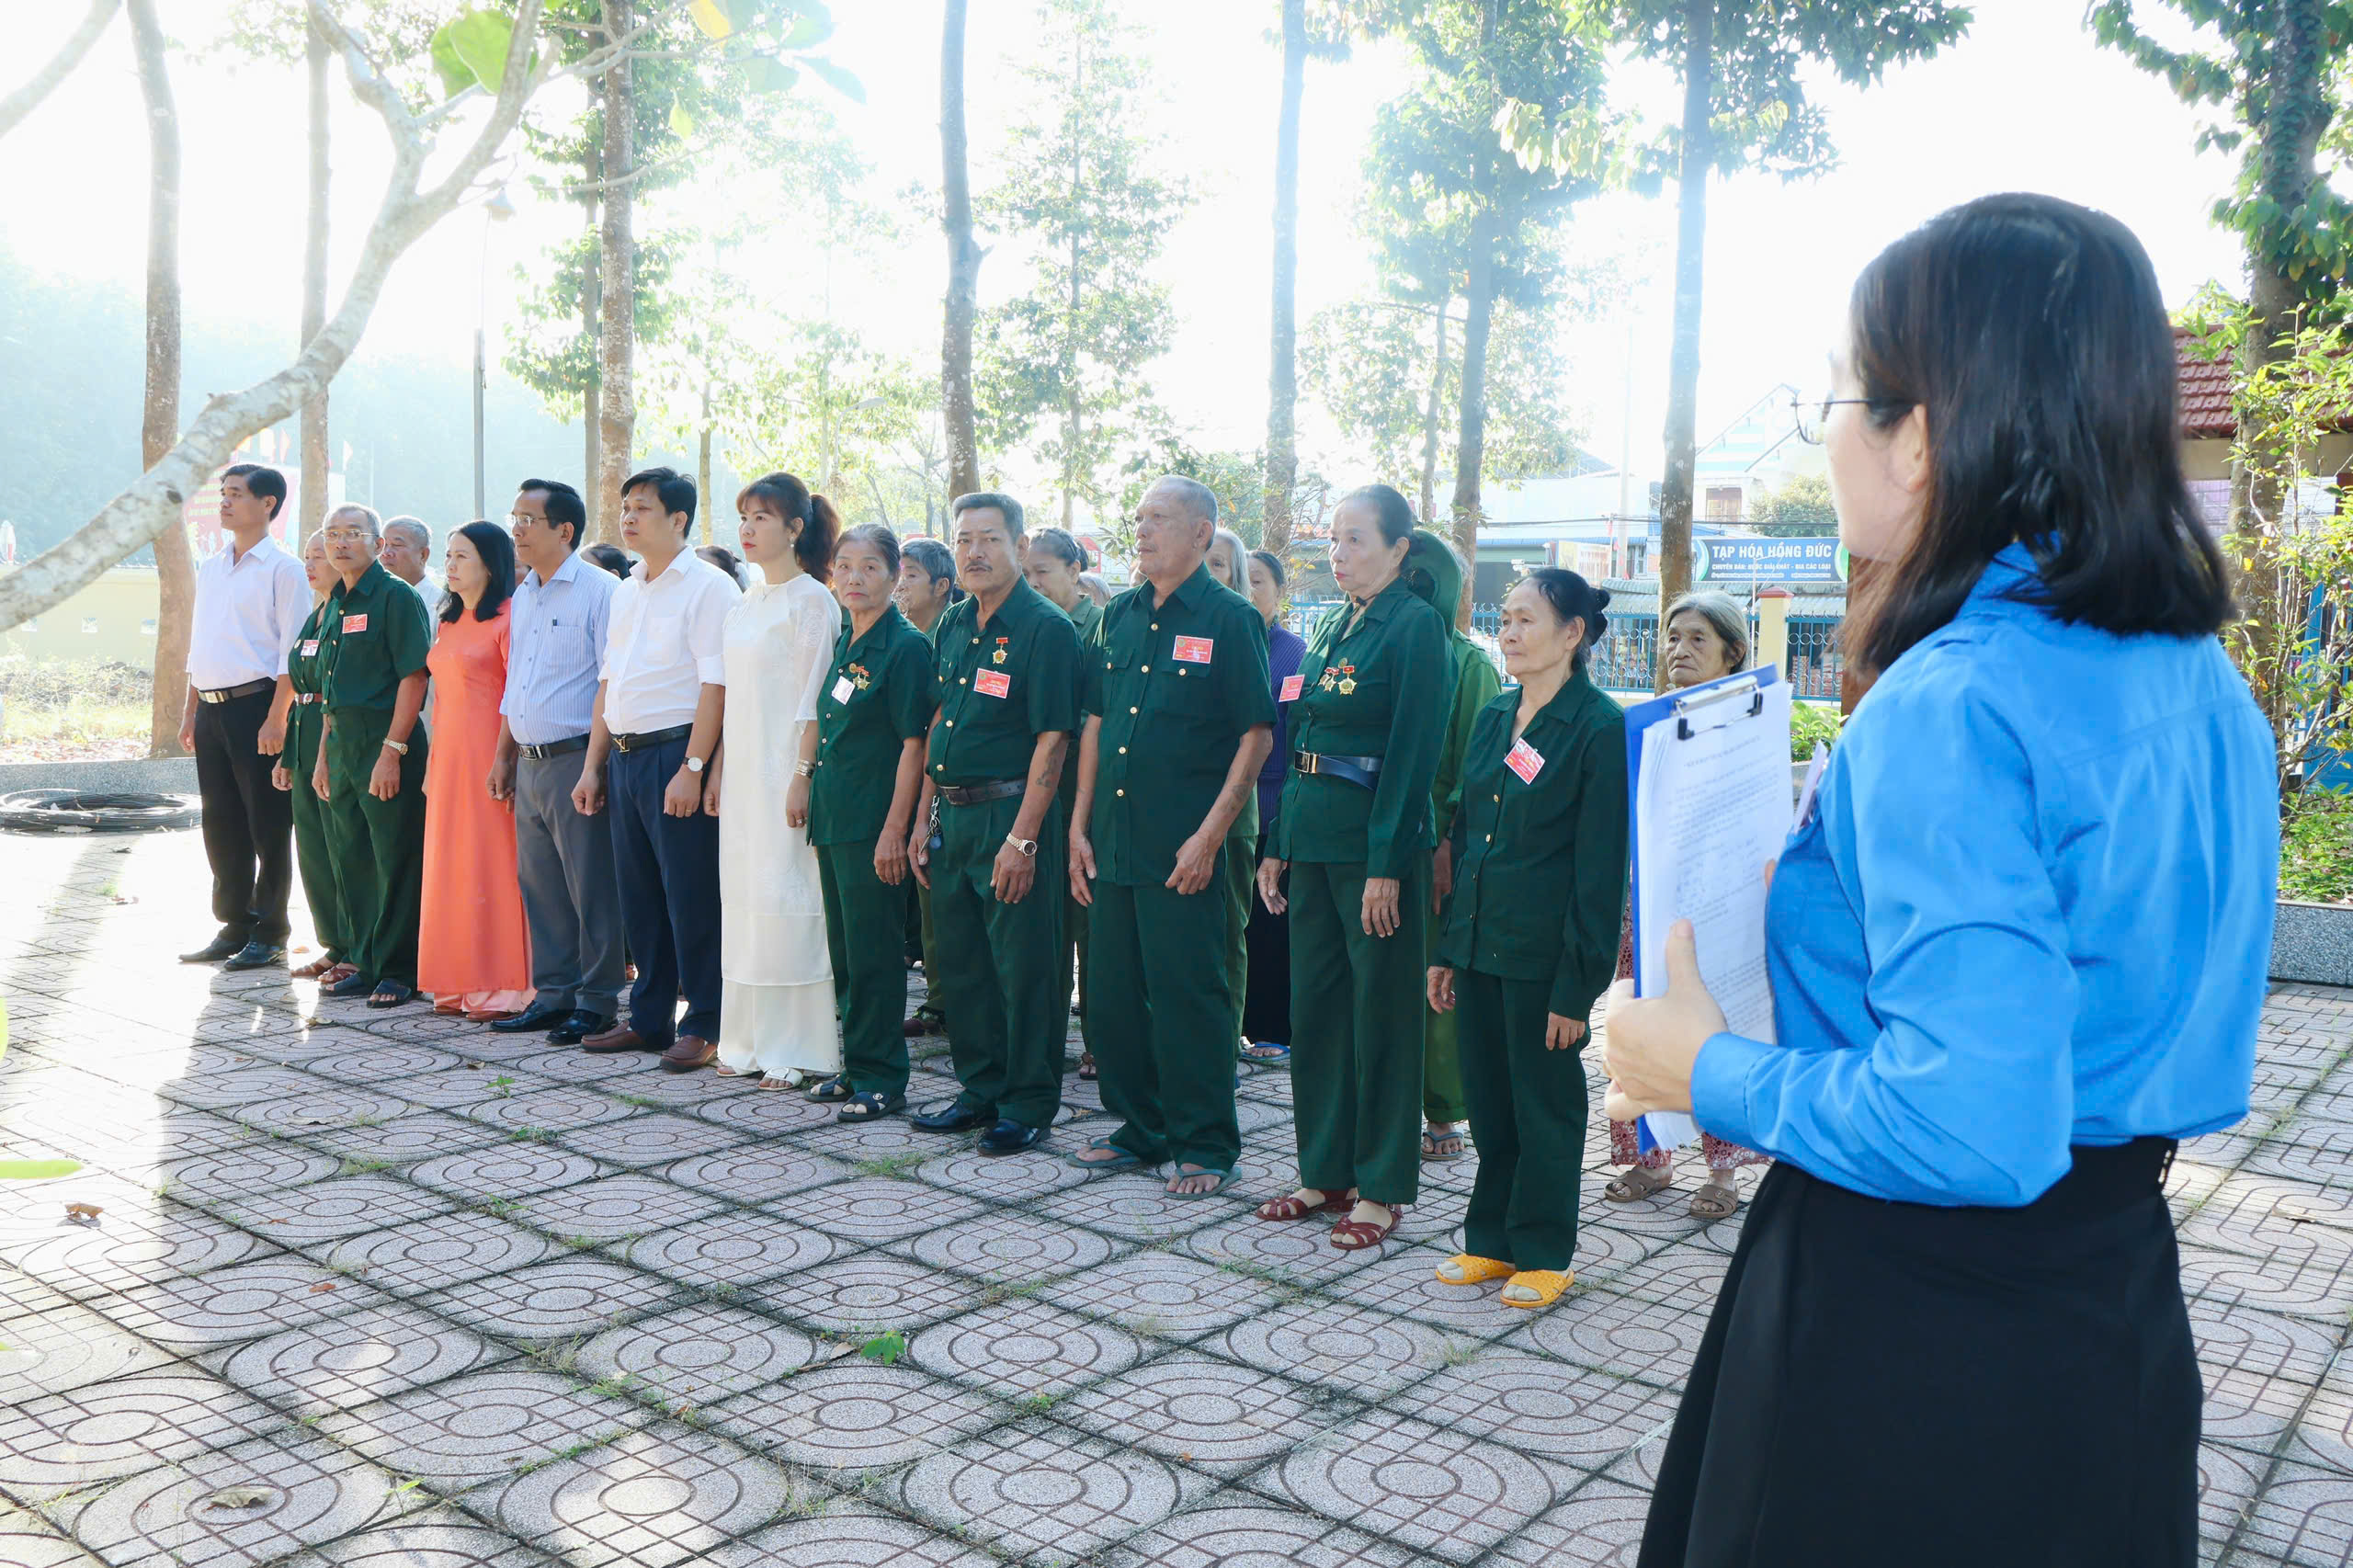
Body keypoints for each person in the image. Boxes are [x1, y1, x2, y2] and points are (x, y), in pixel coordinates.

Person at [1605, 195, 2271, 1566]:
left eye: (1838, 398)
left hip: (1914, 1324)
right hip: (2110, 1297)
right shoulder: (2199, 676)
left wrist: (1701, 1071)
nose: (1831, 434)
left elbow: (1973, 1126)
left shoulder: (1952, 703)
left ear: (1920, 437)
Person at [1255, 486, 1452, 1250]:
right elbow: (1301, 739)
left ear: (1400, 549)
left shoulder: (1415, 626)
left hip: (1375, 851)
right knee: (1319, 1015)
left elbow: (1412, 751)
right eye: (1334, 539)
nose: (1338, 553)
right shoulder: (1336, 624)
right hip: (1313, 843)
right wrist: (1279, 842)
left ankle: (1380, 1187)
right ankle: (1324, 1172)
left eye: (1356, 539)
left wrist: (1386, 864)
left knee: (1382, 1019)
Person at [1426, 568, 1626, 1310]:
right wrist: (1449, 949)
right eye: (1504, 618)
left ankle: (1544, 1251)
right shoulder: (1493, 716)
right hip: (1481, 943)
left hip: (1545, 958)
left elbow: (1600, 871)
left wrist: (1577, 987)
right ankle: (1492, 1239)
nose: (1508, 633)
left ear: (1572, 633)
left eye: (1525, 620)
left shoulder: (1599, 728)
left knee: (1544, 1106)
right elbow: (1468, 839)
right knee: (1491, 1102)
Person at [1068, 478, 1274, 1194]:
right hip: (1116, 839)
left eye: (1159, 518)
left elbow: (1255, 734)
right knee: (1113, 997)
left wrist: (1211, 836)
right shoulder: (1119, 615)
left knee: (1191, 996)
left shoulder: (1229, 618)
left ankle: (1206, 1144)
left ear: (1201, 533)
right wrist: (1078, 826)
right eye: (1139, 518)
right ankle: (1141, 1126)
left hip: (1187, 847)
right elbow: (1095, 724)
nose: (1143, 530)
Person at [907, 492, 1082, 1154]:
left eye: (990, 538)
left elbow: (1053, 740)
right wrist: (922, 816)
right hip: (953, 815)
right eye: (964, 540)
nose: (975, 552)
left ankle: (1028, 1102)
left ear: (1019, 546)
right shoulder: (954, 623)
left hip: (1012, 814)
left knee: (1026, 966)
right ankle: (979, 1089)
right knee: (963, 963)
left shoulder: (1045, 629)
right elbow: (938, 723)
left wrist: (1024, 838)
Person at [1603, 588, 1770, 1217]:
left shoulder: (1750, 727)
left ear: (1733, 652)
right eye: (1673, 637)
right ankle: (1652, 1158)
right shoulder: (1650, 724)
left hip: (1721, 907)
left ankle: (1723, 1173)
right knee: (1642, 1021)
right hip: (1650, 901)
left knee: (1716, 1033)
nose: (1680, 649)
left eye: (1699, 638)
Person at [570, 467, 733, 1072]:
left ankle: (706, 1021)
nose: (628, 518)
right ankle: (648, 1017)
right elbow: (608, 681)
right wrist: (593, 766)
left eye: (642, 507)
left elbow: (716, 685)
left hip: (675, 754)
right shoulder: (627, 589)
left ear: (678, 519)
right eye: (625, 507)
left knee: (691, 896)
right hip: (624, 756)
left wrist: (694, 766)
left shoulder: (709, 587)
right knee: (639, 897)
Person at [709, 472, 842, 1086]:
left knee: (790, 898)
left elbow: (814, 702)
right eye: (744, 517)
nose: (748, 529)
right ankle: (747, 1039)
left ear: (794, 529)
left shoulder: (813, 601)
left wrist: (802, 775)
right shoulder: (746, 602)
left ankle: (798, 1044)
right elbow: (732, 697)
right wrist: (715, 770)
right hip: (742, 777)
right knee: (745, 901)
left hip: (786, 774)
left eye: (762, 517)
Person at [492, 479, 624, 1045]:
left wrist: (594, 767)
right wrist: (503, 755)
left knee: (590, 884)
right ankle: (553, 994)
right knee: (541, 884)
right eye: (514, 517)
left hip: (576, 757)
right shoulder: (525, 592)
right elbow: (516, 680)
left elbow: (609, 684)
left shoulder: (602, 591)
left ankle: (597, 1001)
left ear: (565, 530)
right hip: (529, 761)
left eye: (528, 520)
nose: (516, 529)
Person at [812, 524, 937, 1120]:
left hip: (872, 822)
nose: (853, 578)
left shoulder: (904, 647)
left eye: (869, 567)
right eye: (844, 566)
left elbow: (916, 744)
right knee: (845, 953)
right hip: (835, 817)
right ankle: (857, 1065)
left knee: (875, 955)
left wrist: (896, 829)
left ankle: (884, 1076)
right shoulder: (849, 637)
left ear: (894, 576)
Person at [178, 463, 311, 971]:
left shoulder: (284, 569)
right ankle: (233, 924)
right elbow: (200, 645)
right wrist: (190, 711)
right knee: (221, 822)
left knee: (267, 823)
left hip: (259, 707)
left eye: (235, 493)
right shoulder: (211, 567)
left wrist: (278, 718)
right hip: (211, 710)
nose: (225, 502)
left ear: (268, 504)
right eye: (223, 493)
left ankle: (270, 931)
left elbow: (291, 652)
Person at [311, 504, 433, 1007]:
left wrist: (393, 751)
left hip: (386, 740)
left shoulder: (396, 596)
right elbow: (330, 690)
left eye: (352, 533)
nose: (340, 543)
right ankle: (363, 959)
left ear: (378, 544)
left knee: (394, 856)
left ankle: (400, 968)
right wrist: (323, 756)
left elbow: (414, 677)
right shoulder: (336, 601)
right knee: (352, 856)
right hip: (343, 743)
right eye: (332, 534)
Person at [418, 522, 533, 1020]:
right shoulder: (448, 621)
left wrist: (505, 758)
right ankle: (457, 979)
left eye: (462, 555)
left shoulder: (510, 617)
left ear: (490, 563)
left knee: (492, 863)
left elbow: (515, 695)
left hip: (491, 757)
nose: (450, 564)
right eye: (448, 555)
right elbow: (442, 699)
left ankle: (502, 985)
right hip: (448, 758)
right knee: (451, 864)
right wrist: (432, 760)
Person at [1417, 537, 1504, 1164]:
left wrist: (1448, 840)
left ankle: (1443, 1108)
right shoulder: (1366, 646)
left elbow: (1477, 766)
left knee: (1436, 976)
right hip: (1371, 842)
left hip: (1435, 845)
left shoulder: (1468, 665)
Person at [1026, 525, 1104, 1079]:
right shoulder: (1025, 624)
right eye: (1026, 572)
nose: (1033, 583)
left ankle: (1100, 1039)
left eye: (1043, 571)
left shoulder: (1098, 627)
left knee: (1090, 923)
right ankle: (1045, 1037)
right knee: (1043, 922)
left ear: (1075, 571)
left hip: (1083, 784)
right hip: (1034, 789)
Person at [270, 530, 352, 985]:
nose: (310, 564)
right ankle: (332, 944)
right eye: (306, 556)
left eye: (318, 556)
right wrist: (286, 753)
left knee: (341, 849)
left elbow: (331, 690)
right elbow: (300, 686)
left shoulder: (344, 613)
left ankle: (354, 948)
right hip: (302, 737)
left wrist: (319, 749)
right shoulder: (314, 613)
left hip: (330, 739)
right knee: (313, 852)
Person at [1240, 549, 1305, 1064]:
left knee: (1270, 922)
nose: (1248, 590)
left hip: (1271, 808)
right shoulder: (1220, 643)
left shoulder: (1294, 655)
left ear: (1280, 592)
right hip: (1218, 812)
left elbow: (1295, 736)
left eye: (1258, 581)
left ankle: (1272, 1028)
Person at [895, 535, 961, 1041]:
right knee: (928, 896)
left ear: (941, 585)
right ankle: (939, 1000)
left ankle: (953, 1002)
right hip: (913, 782)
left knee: (944, 893)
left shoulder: (949, 635)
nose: (900, 585)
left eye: (911, 575)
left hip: (946, 784)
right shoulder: (906, 635)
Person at [1203, 528, 1263, 1067]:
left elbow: (1256, 735)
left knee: (1224, 936)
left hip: (1229, 815)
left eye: (1218, 564)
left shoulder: (1239, 625)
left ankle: (1222, 1048)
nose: (1206, 571)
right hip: (1171, 813)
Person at [380, 516, 439, 604]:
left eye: (397, 545)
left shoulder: (442, 604)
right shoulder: (372, 597)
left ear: (423, 555)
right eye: (384, 545)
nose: (386, 553)